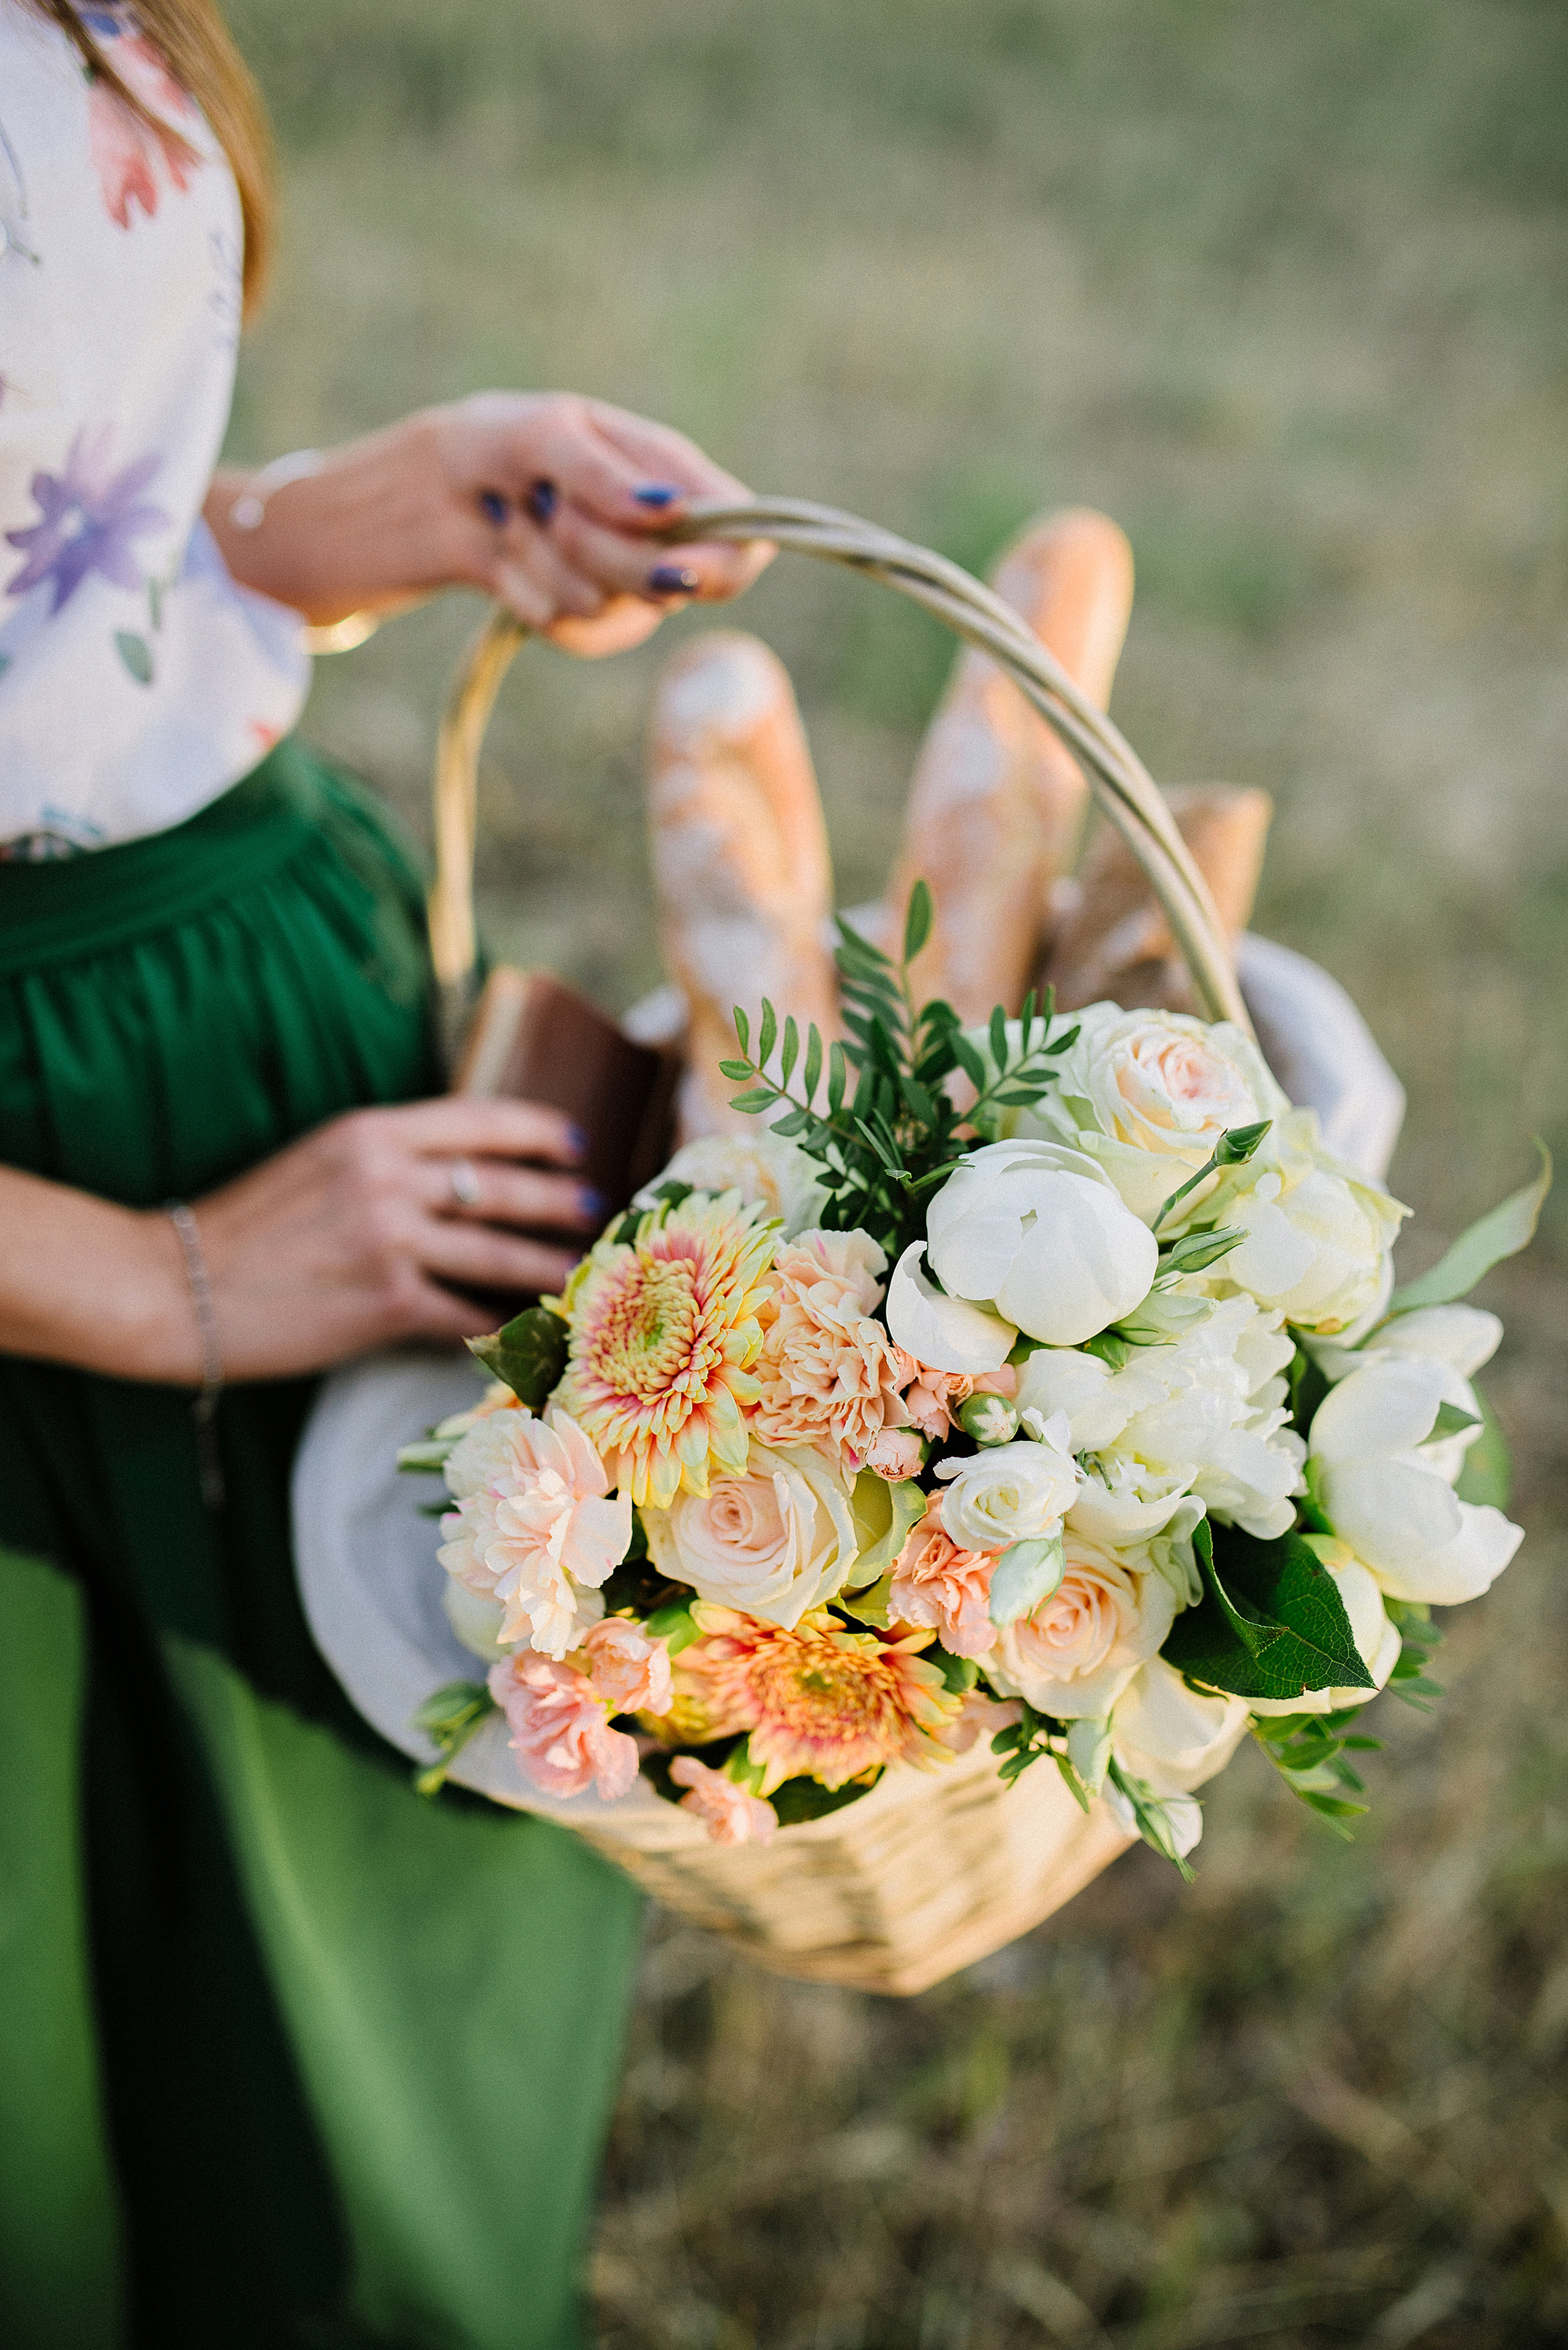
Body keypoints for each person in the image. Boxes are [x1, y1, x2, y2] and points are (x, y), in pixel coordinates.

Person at [0, 5, 768, 2344]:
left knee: (369, 1952)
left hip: (249, 983)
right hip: (59, 1221)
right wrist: (151, 1277)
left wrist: (303, 531)